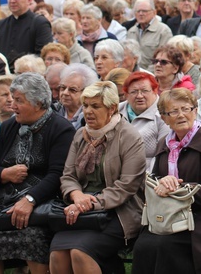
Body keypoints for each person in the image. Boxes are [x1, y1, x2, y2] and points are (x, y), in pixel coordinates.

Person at [0, 73, 75, 274]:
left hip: (43, 202)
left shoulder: (60, 129)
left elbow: (57, 175)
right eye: (13, 100)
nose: (13, 106)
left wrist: (30, 199)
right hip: (6, 202)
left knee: (32, 237)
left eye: (19, 101)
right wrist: (5, 173)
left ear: (38, 104)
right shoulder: (10, 126)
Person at [131, 88, 201, 274]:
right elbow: (156, 178)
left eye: (186, 108)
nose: (181, 115)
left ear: (195, 111)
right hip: (171, 214)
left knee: (166, 246)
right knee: (145, 244)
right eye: (173, 111)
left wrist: (179, 189)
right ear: (164, 118)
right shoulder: (164, 143)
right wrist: (162, 183)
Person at [50, 81, 146, 273]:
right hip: (80, 210)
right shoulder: (80, 135)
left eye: (95, 106)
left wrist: (89, 203)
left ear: (111, 109)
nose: (88, 111)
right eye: (85, 105)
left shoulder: (129, 137)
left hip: (119, 211)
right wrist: (77, 196)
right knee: (57, 253)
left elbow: (126, 186)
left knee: (80, 252)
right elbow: (68, 175)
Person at [0, 0, 53, 71]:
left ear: (29, 0)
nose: (12, 0)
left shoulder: (40, 23)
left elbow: (44, 55)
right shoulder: (0, 25)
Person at [119, 72, 168, 172]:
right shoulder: (115, 111)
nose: (139, 96)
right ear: (126, 94)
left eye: (145, 91)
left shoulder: (164, 114)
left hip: (146, 176)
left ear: (155, 91)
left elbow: (162, 155)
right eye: (134, 92)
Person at [128, 0, 173, 71]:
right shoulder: (131, 31)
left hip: (154, 75)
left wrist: (147, 74)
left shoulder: (163, 31)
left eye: (144, 11)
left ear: (154, 12)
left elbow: (164, 58)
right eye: (138, 11)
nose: (141, 14)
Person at [57, 63, 98, 129]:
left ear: (86, 92)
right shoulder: (53, 110)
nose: (65, 93)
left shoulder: (91, 116)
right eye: (63, 87)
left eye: (72, 90)